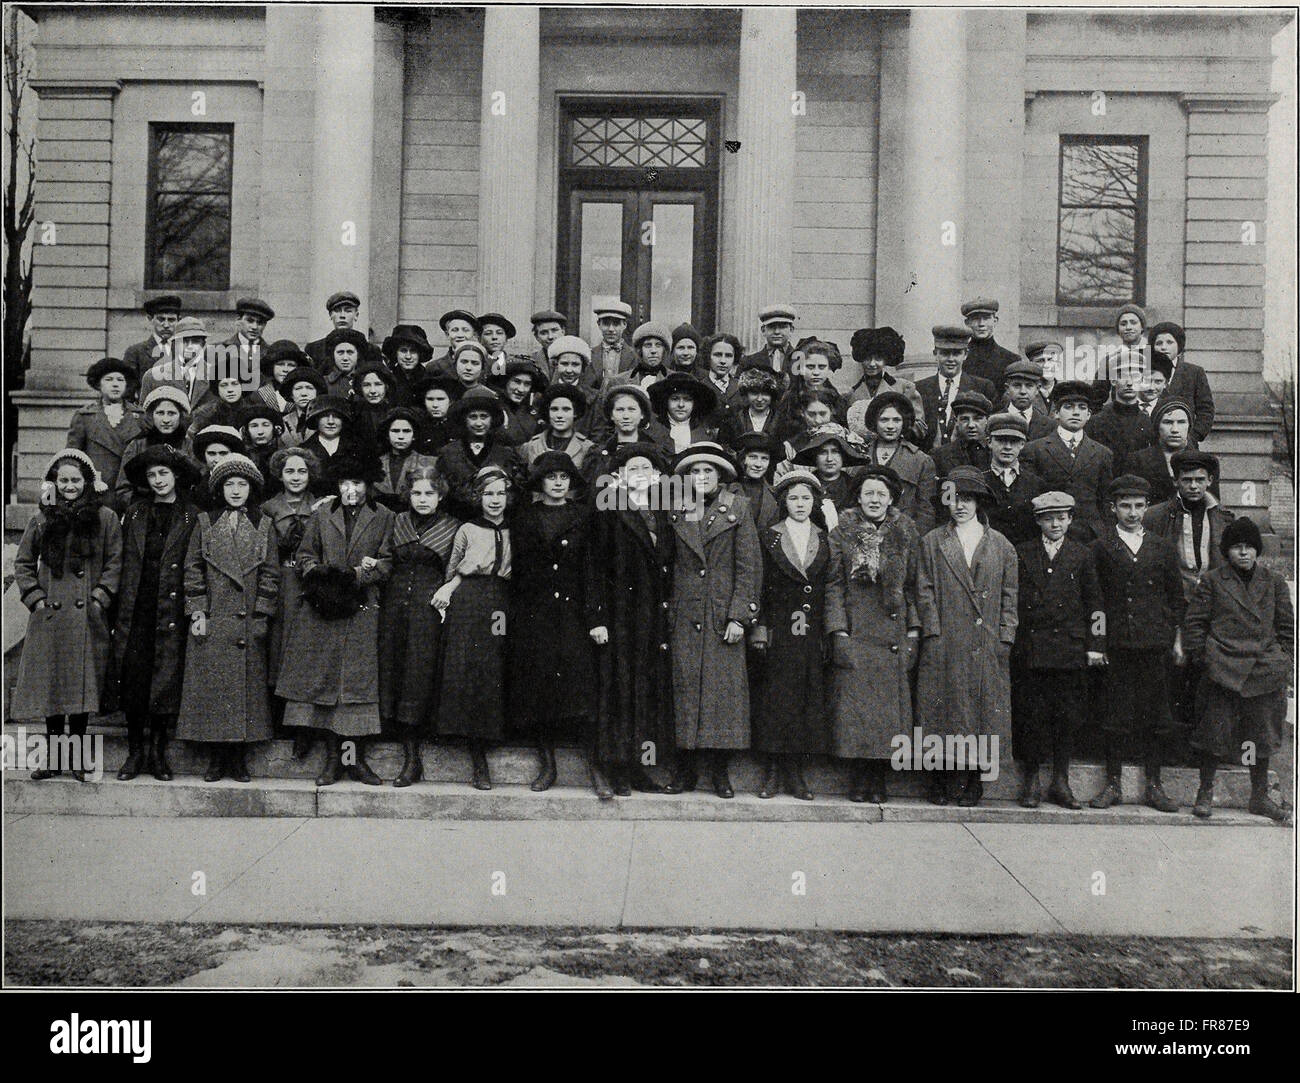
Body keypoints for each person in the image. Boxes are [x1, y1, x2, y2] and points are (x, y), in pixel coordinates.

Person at [276, 450, 395, 786]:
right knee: (327, 687)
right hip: (323, 608)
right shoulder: (322, 513)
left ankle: (354, 761)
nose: (351, 489)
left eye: (357, 482)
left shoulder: (384, 516)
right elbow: (304, 554)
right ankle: (332, 761)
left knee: (353, 690)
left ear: (368, 485)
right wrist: (319, 575)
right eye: (345, 482)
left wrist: (357, 574)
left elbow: (386, 562)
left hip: (360, 609)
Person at [13, 450, 123, 782]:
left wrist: (99, 598)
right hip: (51, 618)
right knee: (54, 691)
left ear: (88, 482)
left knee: (79, 691)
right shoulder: (42, 518)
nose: (70, 486)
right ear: (54, 483)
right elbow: (23, 562)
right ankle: (53, 758)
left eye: (76, 480)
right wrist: (37, 599)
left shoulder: (104, 517)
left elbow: (115, 562)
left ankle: (76, 759)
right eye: (64, 480)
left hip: (86, 617)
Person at [915, 466, 1018, 807]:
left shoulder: (1001, 545)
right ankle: (941, 778)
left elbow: (1009, 594)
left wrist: (1005, 635)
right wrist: (933, 630)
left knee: (983, 710)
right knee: (943, 707)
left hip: (985, 638)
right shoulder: (932, 542)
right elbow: (924, 589)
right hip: (946, 636)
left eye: (968, 499)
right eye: (953, 499)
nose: (960, 505)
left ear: (979, 503)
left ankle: (975, 779)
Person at [665, 442, 761, 798]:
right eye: (694, 471)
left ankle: (720, 773)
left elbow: (748, 566)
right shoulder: (676, 508)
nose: (701, 477)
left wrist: (739, 615)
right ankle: (686, 772)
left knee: (723, 697)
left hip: (722, 615)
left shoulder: (737, 508)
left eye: (708, 471)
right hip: (685, 612)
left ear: (720, 476)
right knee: (685, 693)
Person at [176, 454, 279, 783]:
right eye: (230, 485)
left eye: (242, 484)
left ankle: (239, 760)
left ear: (252, 488)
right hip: (214, 620)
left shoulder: (263, 526)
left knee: (244, 695)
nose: (236, 491)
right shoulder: (205, 523)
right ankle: (216, 759)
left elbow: (271, 576)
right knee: (214, 692)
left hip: (246, 622)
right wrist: (197, 611)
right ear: (220, 489)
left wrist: (261, 613)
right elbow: (193, 569)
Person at [1088, 474, 1188, 812]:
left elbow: (1176, 598)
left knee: (1156, 715)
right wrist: (1098, 644)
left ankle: (1154, 786)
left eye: (1139, 506)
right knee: (1115, 714)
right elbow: (1095, 600)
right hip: (1116, 645)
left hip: (1153, 644)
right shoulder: (1101, 547)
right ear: (1113, 508)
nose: (1132, 513)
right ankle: (1113, 784)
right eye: (1126, 506)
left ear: (1147, 507)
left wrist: (1174, 639)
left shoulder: (1161, 547)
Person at [822, 464, 921, 803]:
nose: (874, 500)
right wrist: (838, 629)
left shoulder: (906, 531)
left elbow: (914, 586)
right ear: (859, 498)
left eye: (881, 494)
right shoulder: (842, 532)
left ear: (891, 497)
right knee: (857, 710)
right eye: (868, 494)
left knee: (887, 713)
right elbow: (833, 585)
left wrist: (913, 630)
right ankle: (859, 777)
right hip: (857, 630)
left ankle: (879, 778)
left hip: (892, 632)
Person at [1184, 516, 1292, 821]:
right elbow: (1195, 624)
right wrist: (1203, 658)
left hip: (1262, 668)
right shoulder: (1213, 581)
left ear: (1257, 551)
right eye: (1236, 548)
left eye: (1249, 547)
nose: (1243, 553)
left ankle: (1259, 796)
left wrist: (1281, 661)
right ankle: (1205, 792)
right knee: (1213, 734)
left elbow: (1286, 627)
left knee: (1260, 735)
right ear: (1226, 552)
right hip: (1223, 666)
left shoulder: (1274, 582)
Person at [108, 445, 202, 781]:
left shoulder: (192, 515)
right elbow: (120, 558)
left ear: (176, 476)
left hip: (171, 606)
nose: (158, 480)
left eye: (164, 473)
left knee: (165, 679)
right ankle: (135, 753)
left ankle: (159, 754)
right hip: (137, 606)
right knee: (134, 678)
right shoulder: (135, 512)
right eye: (152, 475)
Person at [588, 444, 677, 799]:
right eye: (632, 468)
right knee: (619, 691)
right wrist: (597, 617)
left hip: (652, 616)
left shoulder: (664, 511)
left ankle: (641, 766)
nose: (640, 473)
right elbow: (593, 565)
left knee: (645, 692)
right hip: (618, 614)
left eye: (647, 468)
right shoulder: (608, 508)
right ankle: (616, 768)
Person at [507, 452, 598, 792]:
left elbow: (592, 567)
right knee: (539, 687)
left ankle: (594, 765)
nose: (559, 483)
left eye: (564, 478)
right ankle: (548, 765)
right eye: (551, 477)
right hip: (536, 612)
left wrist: (592, 614)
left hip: (573, 612)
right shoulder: (524, 516)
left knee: (579, 684)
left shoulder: (583, 515)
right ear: (540, 483)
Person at [1011, 492, 1104, 809]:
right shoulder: (1023, 553)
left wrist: (1096, 645)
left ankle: (1061, 780)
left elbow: (1096, 606)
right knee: (1032, 715)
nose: (1055, 524)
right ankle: (1032, 779)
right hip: (1033, 649)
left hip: (1069, 648)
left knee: (1067, 716)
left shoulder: (1082, 554)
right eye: (1049, 518)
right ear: (1038, 520)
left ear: (1070, 520)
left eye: (1061, 517)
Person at [749, 467, 832, 799]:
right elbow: (760, 585)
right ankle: (771, 771)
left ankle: (794, 772)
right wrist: (760, 628)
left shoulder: (825, 538)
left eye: (806, 498)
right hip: (779, 630)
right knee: (775, 700)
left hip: (810, 632)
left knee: (803, 701)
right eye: (794, 498)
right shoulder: (768, 536)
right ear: (784, 502)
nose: (800, 504)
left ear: (815, 502)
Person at [379, 463, 460, 787]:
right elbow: (386, 560)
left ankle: (413, 759)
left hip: (430, 610)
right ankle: (397, 741)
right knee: (393, 671)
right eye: (417, 493)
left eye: (429, 493)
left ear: (440, 496)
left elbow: (457, 570)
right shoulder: (397, 522)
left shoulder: (453, 527)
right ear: (408, 495)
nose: (423, 499)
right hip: (395, 608)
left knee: (419, 674)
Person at [433, 465, 513, 790]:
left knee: (495, 664)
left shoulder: (515, 530)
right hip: (470, 599)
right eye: (488, 494)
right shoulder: (467, 528)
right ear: (478, 497)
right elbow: (453, 568)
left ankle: (493, 734)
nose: (494, 500)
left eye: (500, 493)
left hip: (502, 600)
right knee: (469, 665)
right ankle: (473, 748)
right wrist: (450, 590)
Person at [259, 446, 325, 754]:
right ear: (280, 475)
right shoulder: (268, 508)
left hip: (310, 583)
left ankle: (305, 727)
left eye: (301, 471)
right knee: (279, 647)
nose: (296, 477)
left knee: (307, 650)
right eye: (289, 471)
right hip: (282, 581)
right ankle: (277, 720)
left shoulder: (323, 506)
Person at [1021, 381, 1114, 543]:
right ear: (1056, 413)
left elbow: (1105, 500)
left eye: (1082, 408)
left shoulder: (1102, 453)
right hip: (1051, 530)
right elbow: (1030, 496)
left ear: (1089, 415)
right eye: (1069, 407)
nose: (1076, 413)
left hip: (1090, 534)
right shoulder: (1035, 449)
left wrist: (1105, 534)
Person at [67, 357, 145, 512]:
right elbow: (72, 459)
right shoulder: (85, 417)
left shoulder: (140, 417)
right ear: (98, 384)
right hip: (96, 496)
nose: (115, 384)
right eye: (109, 379)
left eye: (120, 380)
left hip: (130, 495)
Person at [852, 390, 936, 535]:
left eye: (896, 420)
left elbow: (926, 511)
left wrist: (913, 541)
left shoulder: (920, 460)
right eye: (884, 420)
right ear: (874, 422)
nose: (890, 426)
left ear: (904, 422)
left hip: (903, 538)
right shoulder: (859, 456)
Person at [437, 384, 520, 521]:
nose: (479, 423)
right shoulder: (449, 453)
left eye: (484, 416)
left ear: (492, 419)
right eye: (473, 417)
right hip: (455, 522)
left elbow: (513, 496)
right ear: (464, 419)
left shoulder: (505, 454)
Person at [915, 325, 997, 450]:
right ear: (935, 354)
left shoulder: (983, 387)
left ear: (965, 354)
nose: (951, 359)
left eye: (957, 353)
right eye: (945, 353)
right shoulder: (919, 388)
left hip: (968, 460)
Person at [844, 327, 927, 446]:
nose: (872, 364)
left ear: (887, 359)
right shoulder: (850, 394)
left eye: (878, 358)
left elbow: (920, 429)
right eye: (867, 358)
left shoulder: (905, 388)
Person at [115, 386, 195, 509]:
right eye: (160, 413)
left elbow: (197, 483)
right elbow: (123, 489)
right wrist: (141, 509)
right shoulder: (137, 445)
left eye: (172, 413)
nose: (166, 420)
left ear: (181, 416)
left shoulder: (189, 446)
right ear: (152, 415)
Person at [1085, 347, 1155, 472]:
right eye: (1123, 376)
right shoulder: (1096, 422)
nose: (1129, 382)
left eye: (1135, 376)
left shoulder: (1149, 423)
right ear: (1113, 381)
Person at [982, 412, 1045, 546]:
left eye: (1014, 441)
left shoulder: (1036, 483)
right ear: (989, 442)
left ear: (1022, 444)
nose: (1008, 447)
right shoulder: (979, 481)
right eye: (1001, 440)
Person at [1149, 321, 1214, 444]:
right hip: (1152, 444)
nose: (1163, 347)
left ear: (1179, 346)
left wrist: (1192, 437)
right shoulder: (1145, 372)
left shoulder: (1194, 372)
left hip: (1184, 444)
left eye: (1169, 342)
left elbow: (1206, 410)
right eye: (1159, 343)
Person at [791, 424, 869, 524]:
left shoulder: (855, 487)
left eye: (835, 452)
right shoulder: (804, 486)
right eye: (823, 452)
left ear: (843, 455)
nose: (829, 459)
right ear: (815, 456)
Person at [772, 340, 847, 441]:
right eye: (810, 367)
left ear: (829, 369)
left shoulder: (836, 398)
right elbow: (777, 432)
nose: (816, 372)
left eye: (821, 367)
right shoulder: (790, 398)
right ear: (801, 369)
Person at [1125, 398, 1194, 505]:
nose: (1175, 429)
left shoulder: (1202, 461)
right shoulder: (1138, 461)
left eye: (1181, 422)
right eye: (1168, 422)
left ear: (1189, 426)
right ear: (1157, 426)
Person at [139, 316, 213, 409]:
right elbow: (144, 415)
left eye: (195, 341)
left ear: (203, 345)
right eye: (184, 341)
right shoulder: (153, 376)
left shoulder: (215, 374)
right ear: (175, 343)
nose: (189, 346)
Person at [373, 406, 437, 512]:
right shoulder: (375, 463)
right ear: (387, 435)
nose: (401, 436)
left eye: (406, 431)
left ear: (414, 435)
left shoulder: (430, 463)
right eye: (395, 431)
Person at [520, 384, 595, 471]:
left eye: (566, 409)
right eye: (554, 409)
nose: (559, 415)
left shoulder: (587, 448)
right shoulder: (531, 446)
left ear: (575, 413)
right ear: (547, 412)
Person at [305, 291, 381, 369]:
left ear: (356, 315)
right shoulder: (314, 349)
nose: (342, 316)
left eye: (348, 311)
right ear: (331, 315)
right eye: (337, 311)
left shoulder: (371, 350)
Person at [930, 390, 993, 482]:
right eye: (964, 419)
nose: (971, 425)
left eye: (977, 419)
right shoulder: (939, 456)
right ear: (956, 421)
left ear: (987, 420)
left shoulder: (996, 452)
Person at [649, 370, 718, 453]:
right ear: (666, 401)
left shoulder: (706, 432)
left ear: (694, 403)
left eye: (687, 399)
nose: (681, 405)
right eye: (675, 399)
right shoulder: (654, 429)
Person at [961, 297, 1021, 389]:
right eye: (976, 319)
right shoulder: (959, 358)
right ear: (967, 323)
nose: (981, 324)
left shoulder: (1011, 360)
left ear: (995, 321)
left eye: (986, 318)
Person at [123, 294, 182, 385]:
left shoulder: (184, 350)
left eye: (171, 320)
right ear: (150, 319)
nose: (166, 325)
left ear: (179, 320)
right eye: (161, 319)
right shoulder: (135, 352)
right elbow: (128, 388)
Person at [718, 364, 780, 448]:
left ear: (772, 395)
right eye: (754, 393)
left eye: (765, 393)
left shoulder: (782, 420)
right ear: (746, 393)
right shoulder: (733, 418)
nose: (759, 399)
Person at [730, 432, 781, 532]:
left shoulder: (774, 494)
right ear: (743, 459)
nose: (758, 464)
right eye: (753, 457)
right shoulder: (727, 490)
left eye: (764, 459)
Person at [298, 395, 367, 467]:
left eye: (336, 416)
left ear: (343, 420)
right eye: (325, 416)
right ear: (316, 419)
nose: (330, 421)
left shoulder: (359, 448)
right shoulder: (303, 450)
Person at [998, 358, 1055, 442]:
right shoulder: (996, 420)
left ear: (1037, 389)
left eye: (1029, 386)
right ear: (1007, 389)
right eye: (1017, 385)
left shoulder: (1050, 425)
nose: (1023, 392)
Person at [740, 304, 797, 385]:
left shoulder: (800, 359)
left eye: (782, 327)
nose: (777, 332)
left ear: (791, 330)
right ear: (763, 330)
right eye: (771, 327)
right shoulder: (748, 362)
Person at [218, 297, 275, 377]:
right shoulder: (219, 349)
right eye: (250, 321)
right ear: (239, 320)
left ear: (264, 325)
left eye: (260, 323)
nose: (254, 327)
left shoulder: (271, 353)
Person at [350, 360, 397, 455]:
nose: (372, 391)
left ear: (386, 386)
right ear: (360, 388)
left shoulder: (394, 412)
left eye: (378, 384)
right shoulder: (354, 414)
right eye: (366, 385)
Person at [699, 332, 744, 429]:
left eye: (728, 356)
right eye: (717, 355)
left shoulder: (741, 387)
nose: (723, 361)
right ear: (708, 356)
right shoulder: (699, 388)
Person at [383, 324, 435, 407]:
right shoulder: (388, 380)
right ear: (395, 353)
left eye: (413, 351)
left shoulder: (429, 380)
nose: (408, 357)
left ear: (419, 354)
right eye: (403, 351)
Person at [254, 339, 311, 415]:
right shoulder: (258, 396)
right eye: (280, 364)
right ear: (272, 367)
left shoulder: (305, 395)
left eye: (291, 365)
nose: (285, 370)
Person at [239, 401, 285, 493]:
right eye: (254, 426)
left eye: (265, 425)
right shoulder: (241, 457)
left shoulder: (284, 456)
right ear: (246, 431)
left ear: (275, 429)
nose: (260, 431)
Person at [499, 358, 546, 446]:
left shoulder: (534, 411)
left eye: (527, 384)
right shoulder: (496, 408)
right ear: (506, 382)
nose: (521, 389)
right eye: (516, 382)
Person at [412, 372, 461, 455]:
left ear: (451, 401)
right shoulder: (418, 427)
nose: (435, 405)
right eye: (430, 399)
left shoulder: (459, 427)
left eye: (440, 399)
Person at [278, 366, 327, 448]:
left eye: (309, 388)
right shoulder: (283, 422)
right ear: (291, 395)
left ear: (317, 393)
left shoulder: (326, 420)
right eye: (298, 388)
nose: (304, 393)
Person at [590, 298, 636, 382]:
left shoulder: (635, 356)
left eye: (616, 324)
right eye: (606, 323)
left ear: (624, 325)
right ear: (599, 324)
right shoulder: (589, 355)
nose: (611, 329)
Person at [428, 309, 482, 376]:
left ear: (474, 334)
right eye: (455, 330)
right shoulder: (434, 367)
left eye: (465, 330)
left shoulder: (486, 364)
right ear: (447, 334)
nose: (460, 335)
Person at [319, 327, 370, 399]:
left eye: (350, 352)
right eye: (340, 352)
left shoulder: (367, 380)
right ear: (333, 355)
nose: (345, 358)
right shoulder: (323, 383)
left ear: (358, 355)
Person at [477, 312, 519, 384]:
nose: (494, 337)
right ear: (479, 338)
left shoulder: (515, 364)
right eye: (488, 333)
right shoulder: (474, 362)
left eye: (499, 333)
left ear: (506, 338)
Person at [528, 310, 567, 377]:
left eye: (554, 330)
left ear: (563, 332)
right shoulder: (531, 361)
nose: (550, 337)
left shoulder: (577, 358)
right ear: (537, 337)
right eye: (544, 333)